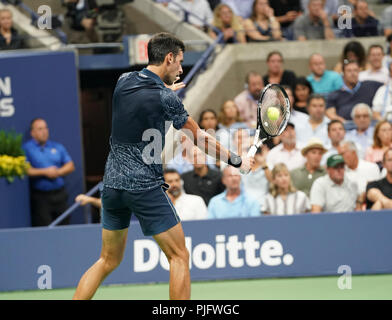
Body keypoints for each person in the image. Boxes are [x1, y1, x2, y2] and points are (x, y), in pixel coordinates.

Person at [72, 33, 254, 301]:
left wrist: (164, 91)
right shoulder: (165, 99)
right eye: (180, 62)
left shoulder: (124, 81)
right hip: (144, 186)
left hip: (111, 186)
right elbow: (200, 138)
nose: (181, 69)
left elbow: (142, 99)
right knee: (179, 256)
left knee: (107, 260)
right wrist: (237, 161)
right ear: (169, 58)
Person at [23, 118, 75, 227]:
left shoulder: (57, 146)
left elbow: (70, 165)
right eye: (40, 129)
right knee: (44, 227)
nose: (44, 131)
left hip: (60, 194)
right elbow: (25, 170)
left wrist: (57, 172)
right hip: (41, 197)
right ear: (33, 133)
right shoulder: (27, 148)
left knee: (65, 226)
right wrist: (45, 172)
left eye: (46, 128)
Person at [339, 140, 380, 206]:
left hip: (370, 205)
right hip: (349, 207)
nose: (341, 157)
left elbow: (376, 189)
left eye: (342, 154)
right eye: (339, 154)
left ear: (354, 152)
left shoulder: (371, 167)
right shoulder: (341, 172)